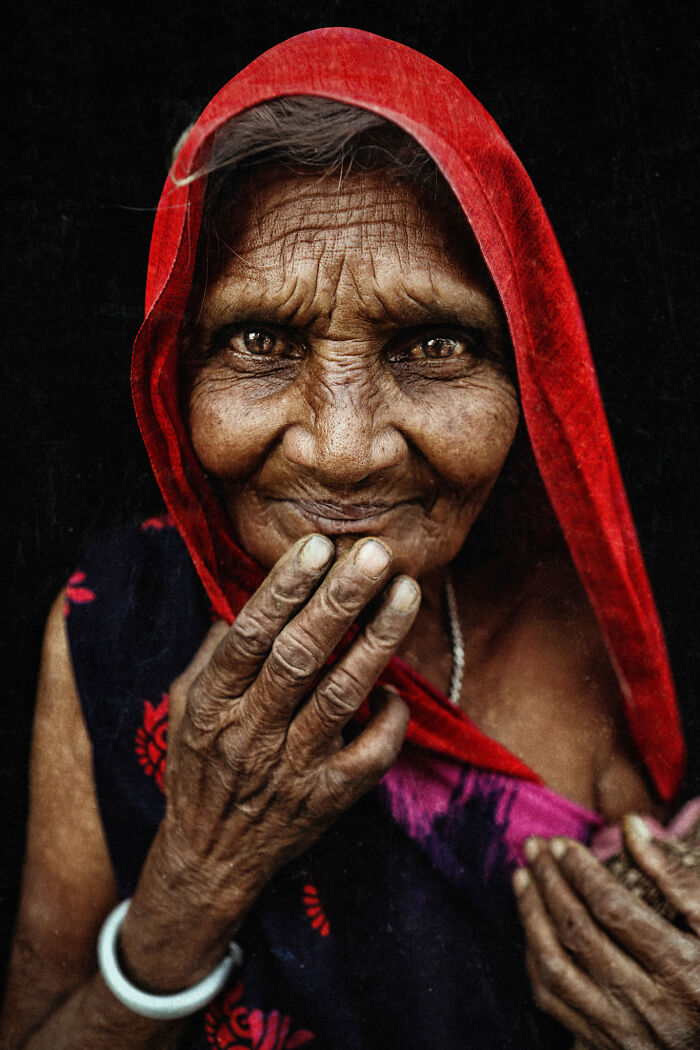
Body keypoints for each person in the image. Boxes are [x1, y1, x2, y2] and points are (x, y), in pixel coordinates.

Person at [2, 27, 698, 1050]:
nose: (342, 449)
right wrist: (189, 887)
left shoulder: (640, 608)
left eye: (433, 343)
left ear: (530, 373)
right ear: (173, 372)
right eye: (259, 340)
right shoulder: (119, 630)